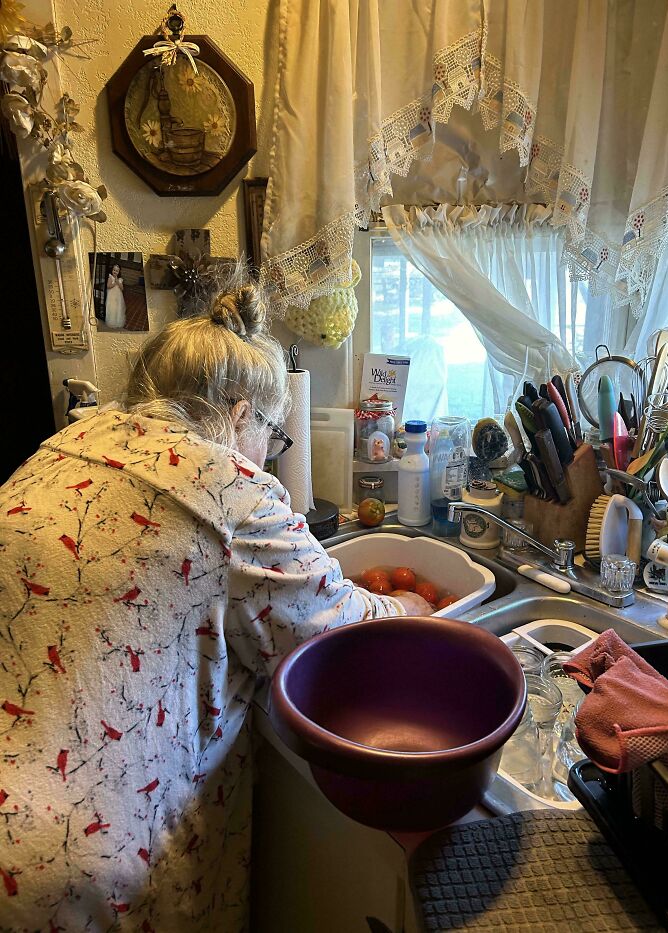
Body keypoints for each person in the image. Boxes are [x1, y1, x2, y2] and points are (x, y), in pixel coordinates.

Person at [0, 264, 430, 932]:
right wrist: (412, 610)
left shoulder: (61, 446)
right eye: (273, 436)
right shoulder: (228, 487)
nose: (270, 454)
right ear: (239, 417)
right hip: (78, 870)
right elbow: (347, 634)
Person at [105, 262, 126, 329]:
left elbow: (122, 288)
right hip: (111, 296)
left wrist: (117, 281)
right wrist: (114, 283)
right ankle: (111, 322)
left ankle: (117, 321)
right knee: (112, 308)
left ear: (119, 272)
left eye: (117, 271)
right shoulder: (110, 277)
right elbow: (108, 286)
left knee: (118, 308)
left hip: (118, 297)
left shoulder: (120, 279)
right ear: (112, 270)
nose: (115, 272)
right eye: (114, 270)